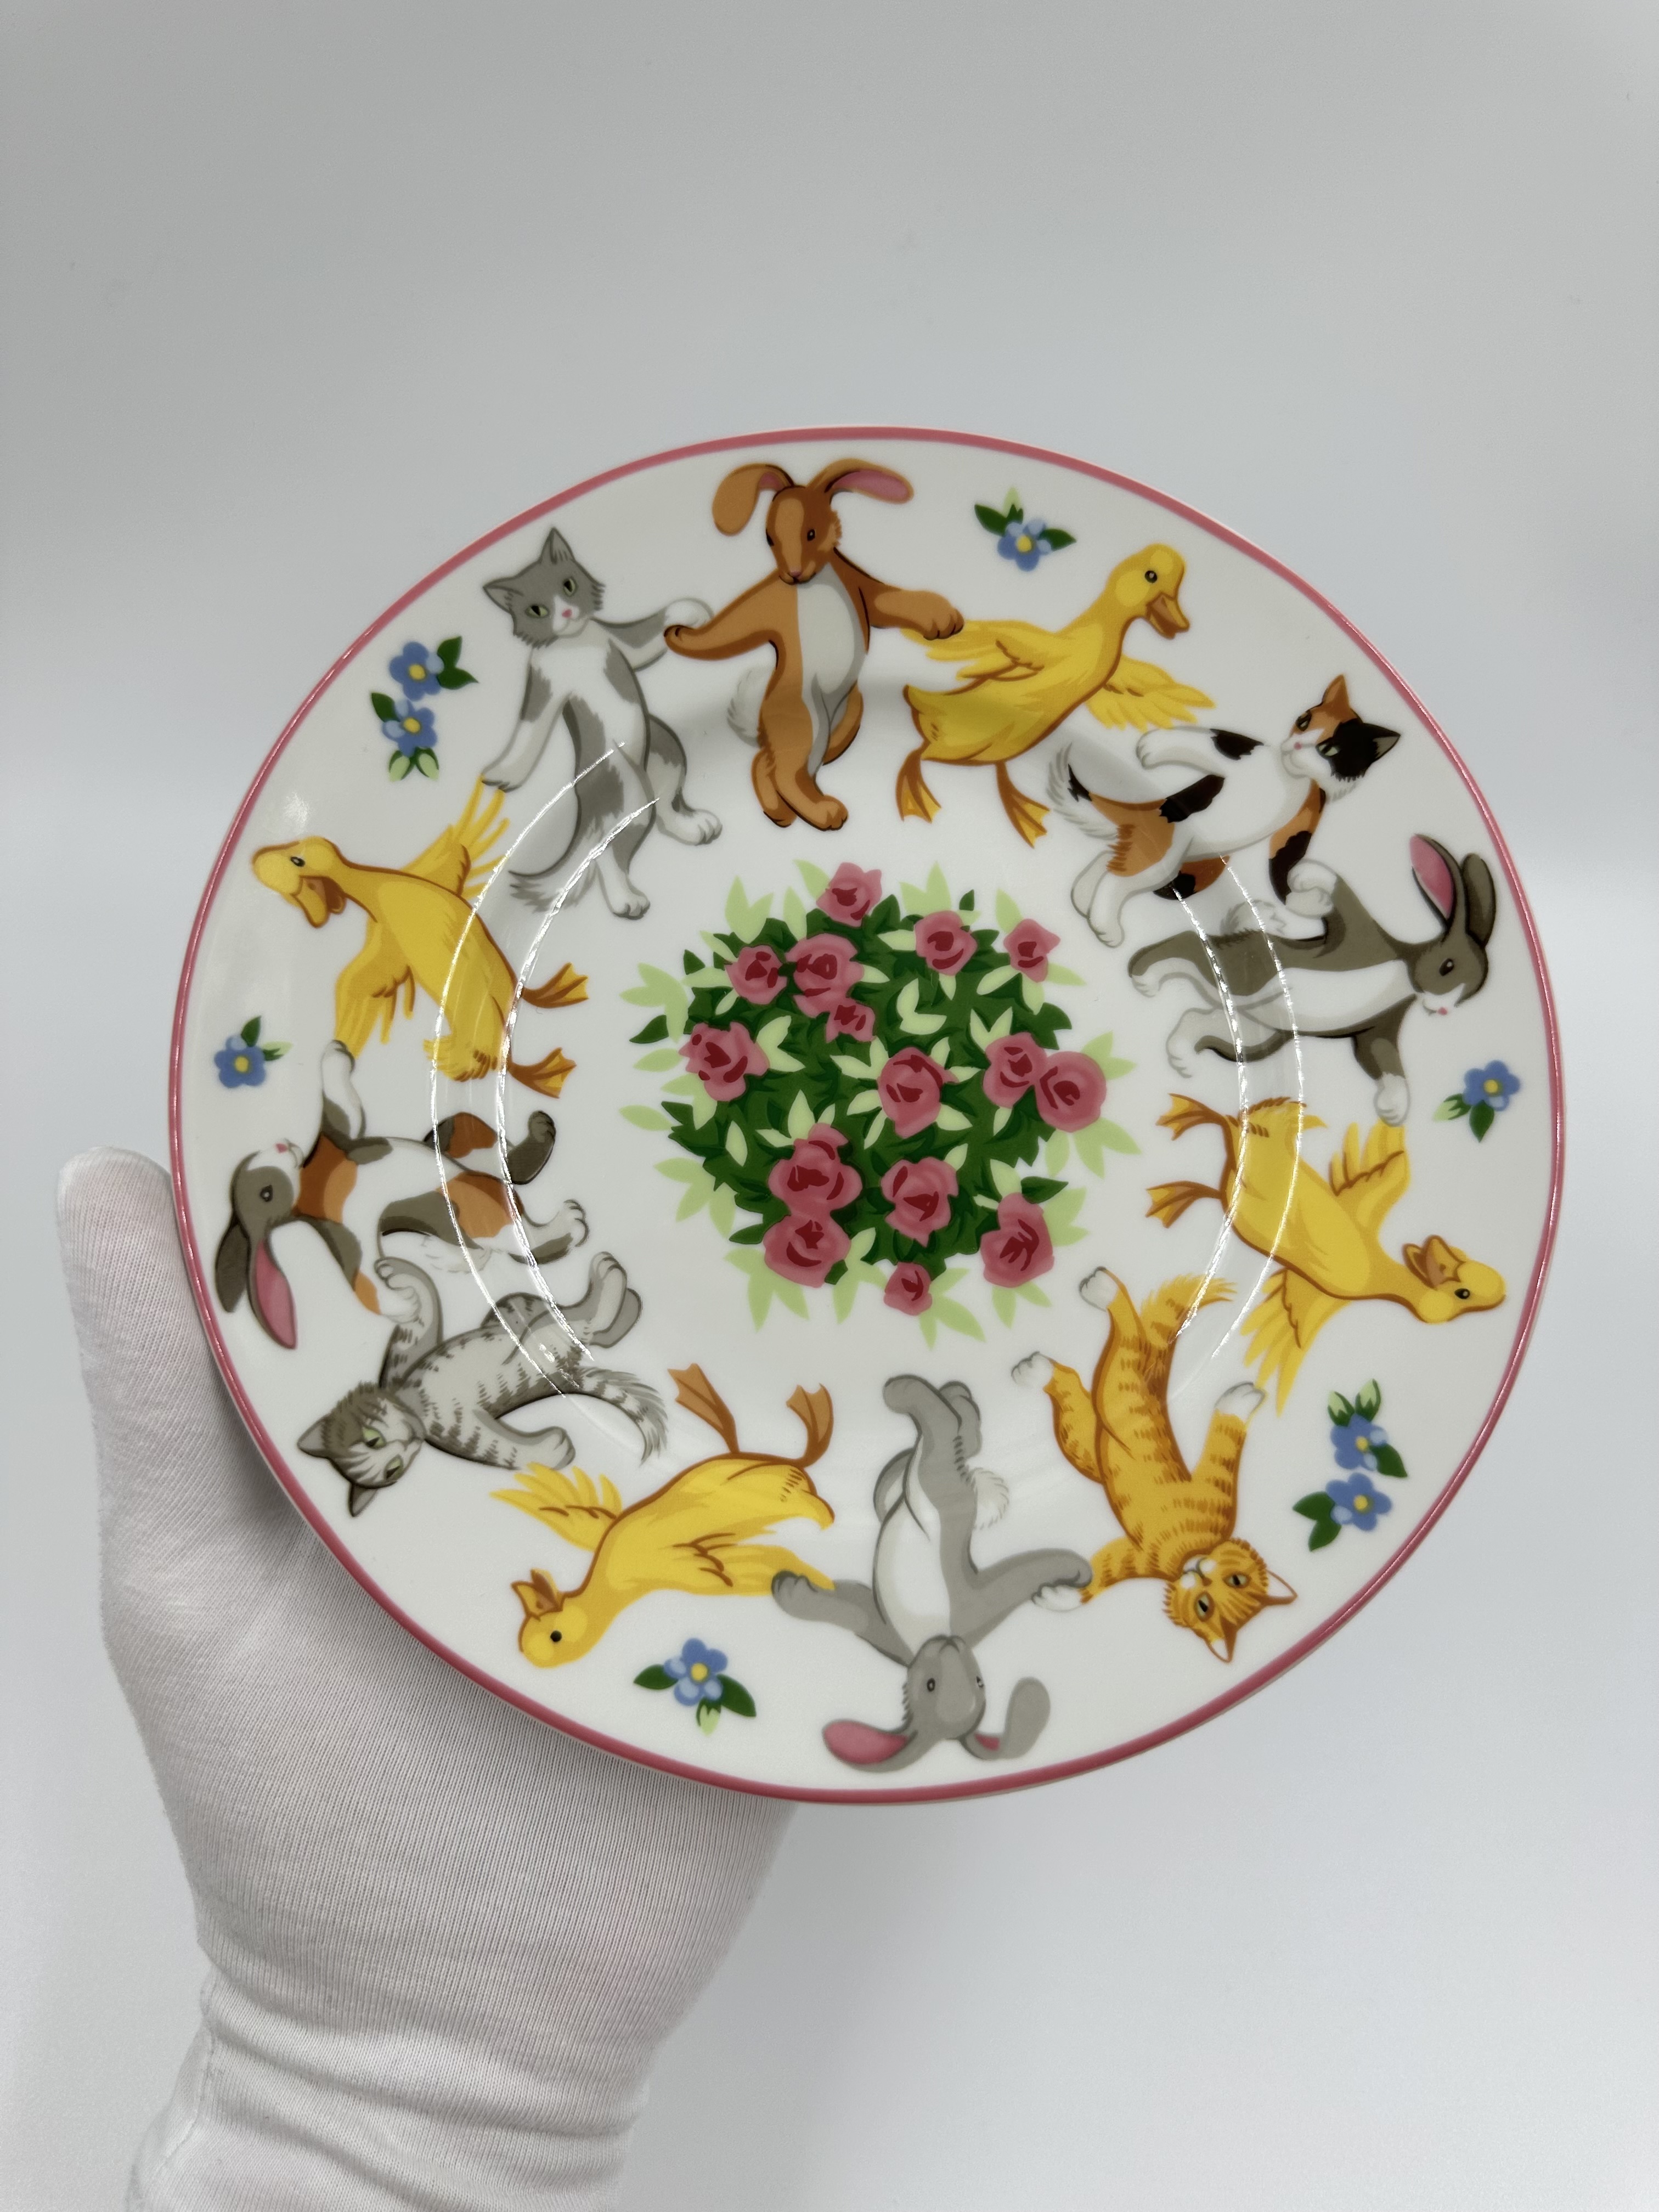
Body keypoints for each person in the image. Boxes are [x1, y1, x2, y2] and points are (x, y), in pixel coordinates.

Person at [58, 1148, 792, 2210]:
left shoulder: (414, 1402)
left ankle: (590, 1299)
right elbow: (498, 1436)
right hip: (570, 1397)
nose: (387, 1447)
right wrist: (473, 2125)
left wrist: (338, 2102)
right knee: (567, 1345)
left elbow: (441, 1363)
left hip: (528, 1338)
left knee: (559, 1333)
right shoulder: (429, 1430)